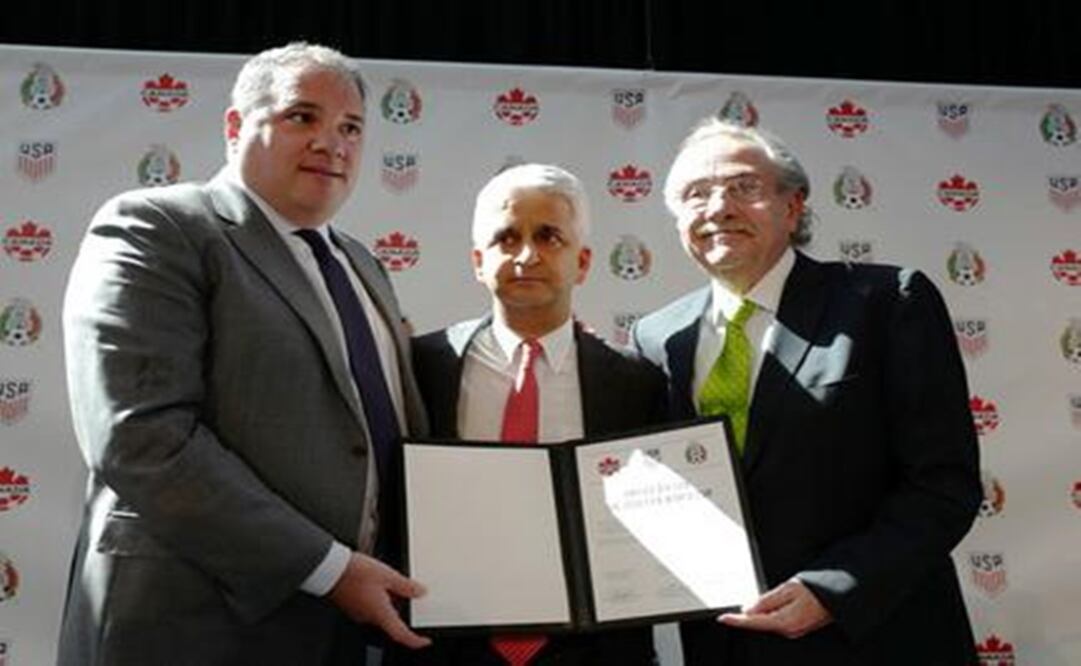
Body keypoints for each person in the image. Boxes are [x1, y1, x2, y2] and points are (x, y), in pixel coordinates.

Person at [58, 42, 431, 665]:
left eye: (350, 127)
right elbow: (142, 438)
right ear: (235, 127)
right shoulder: (158, 227)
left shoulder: (360, 264)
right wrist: (329, 568)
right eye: (302, 117)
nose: (331, 143)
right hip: (194, 629)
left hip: (345, 634)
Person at [632, 119, 981, 665]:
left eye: (744, 187)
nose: (718, 207)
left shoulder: (886, 302)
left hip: (874, 638)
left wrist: (833, 589)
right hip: (726, 643)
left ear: (793, 207)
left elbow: (943, 486)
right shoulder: (656, 338)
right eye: (695, 194)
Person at [400, 164, 665, 665]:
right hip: (443, 648)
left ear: (583, 262)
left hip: (597, 649)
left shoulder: (637, 381)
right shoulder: (420, 365)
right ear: (478, 261)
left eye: (549, 237)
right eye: (506, 238)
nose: (526, 255)